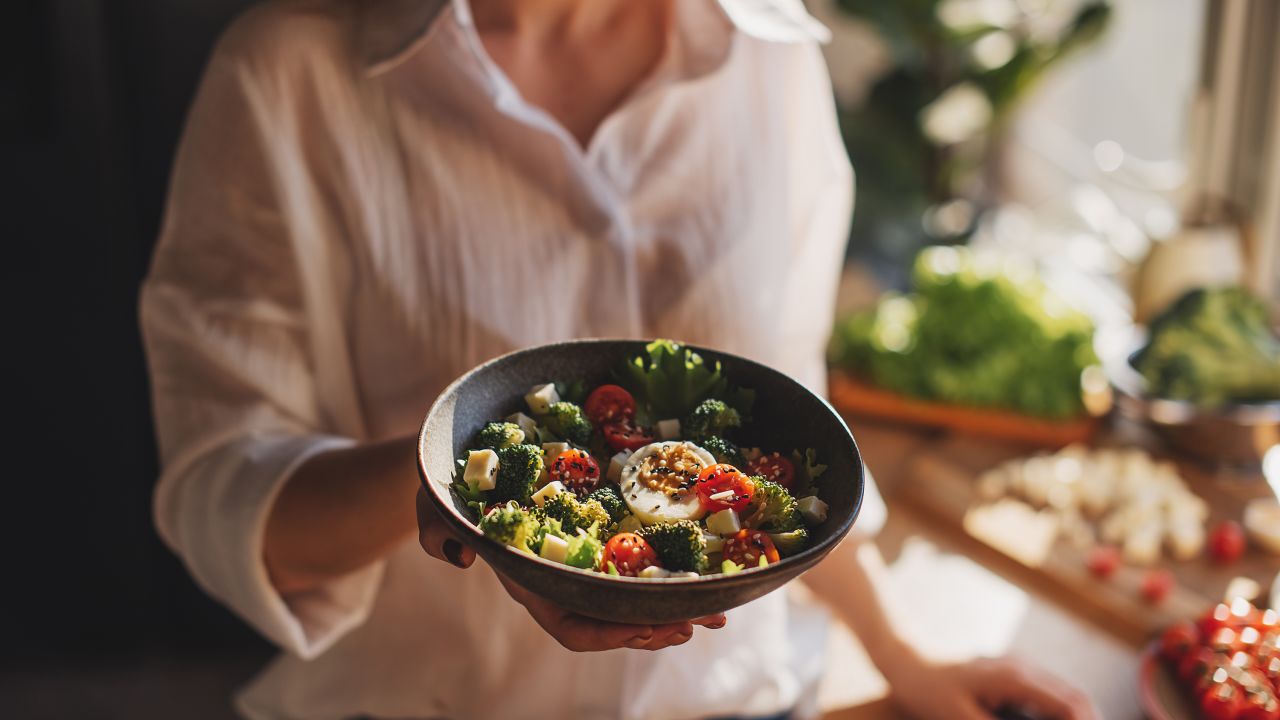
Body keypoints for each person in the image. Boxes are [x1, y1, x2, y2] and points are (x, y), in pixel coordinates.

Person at [140, 0, 1098, 718]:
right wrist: (452, 486)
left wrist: (906, 657)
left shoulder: (771, 53)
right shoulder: (289, 71)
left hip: (747, 695)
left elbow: (785, 422)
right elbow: (223, 492)